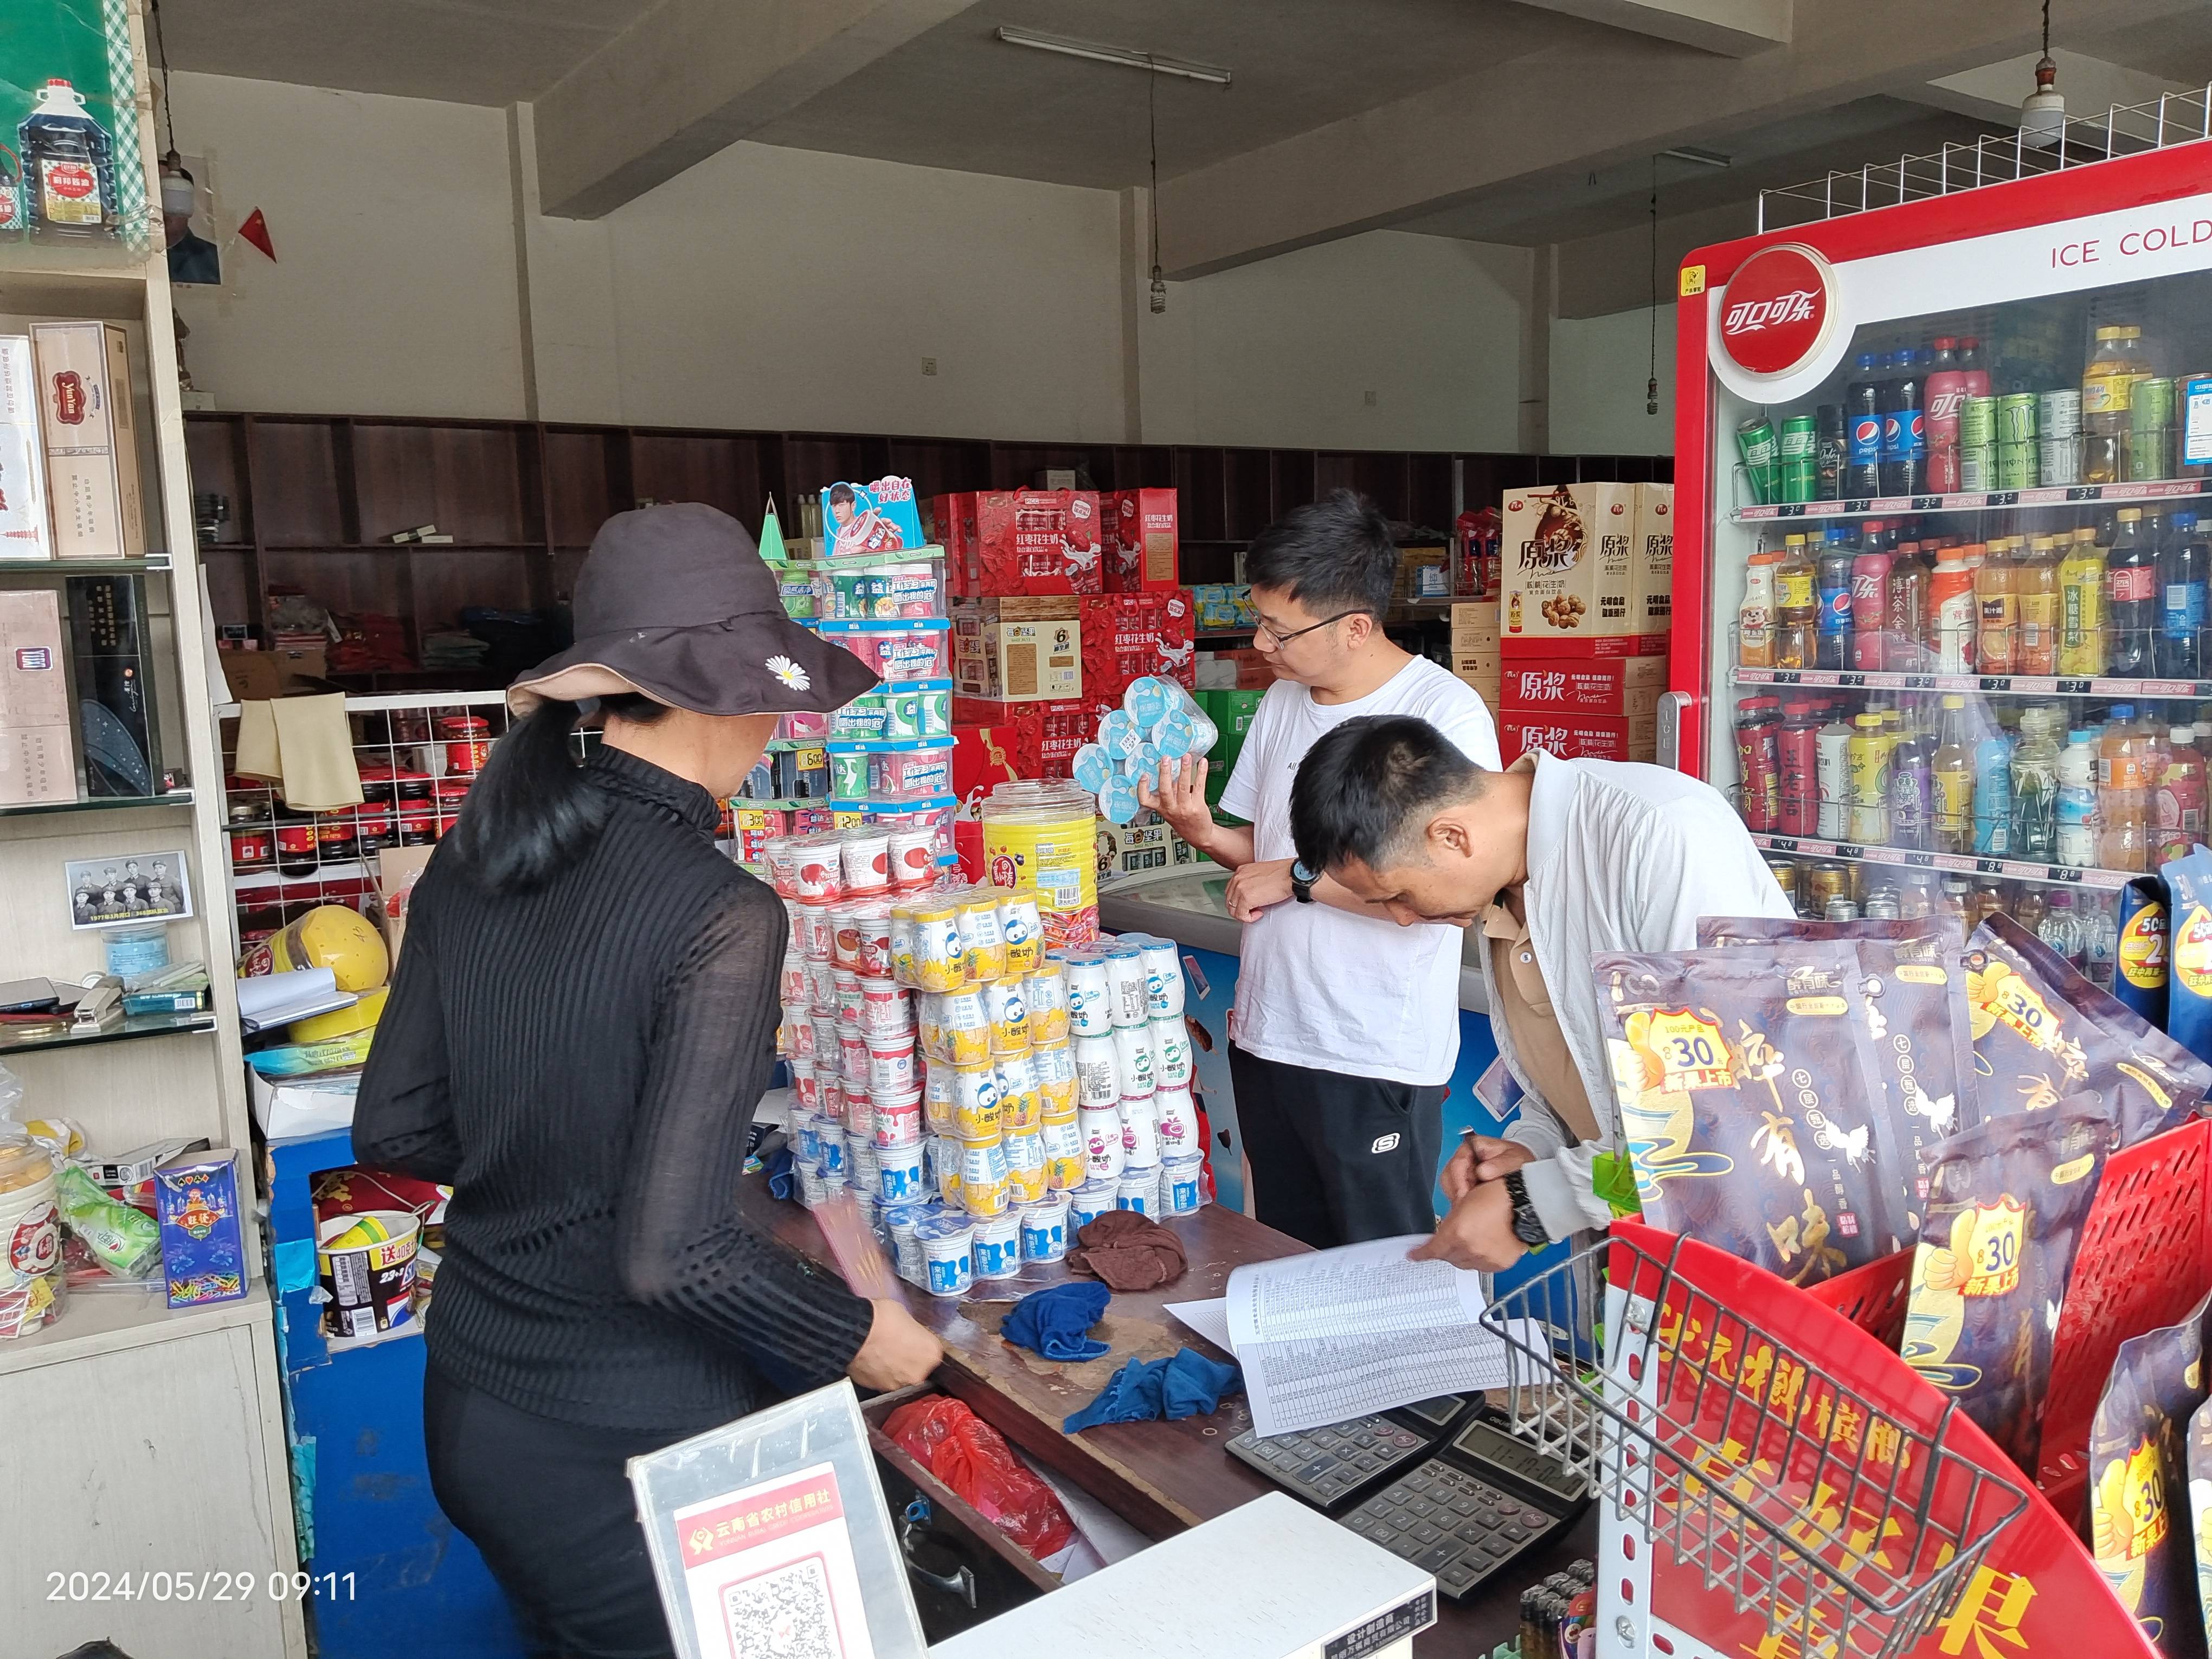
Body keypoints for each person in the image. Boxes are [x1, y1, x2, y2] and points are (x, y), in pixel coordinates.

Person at [353, 504, 944, 1659]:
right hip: (623, 1439)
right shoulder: (723, 911)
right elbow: (673, 1257)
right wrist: (860, 1336)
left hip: (472, 1402)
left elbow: (398, 1124)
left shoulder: (474, 857)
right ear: (730, 693)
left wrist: (569, 1173)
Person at [1286, 714, 1793, 1271]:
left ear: (1453, 837)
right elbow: (1584, 1070)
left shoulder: (1659, 832)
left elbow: (1727, 1106)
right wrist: (1532, 1147)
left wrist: (1535, 1205)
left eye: (1399, 895)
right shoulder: (1499, 885)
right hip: (1649, 1240)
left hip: (1768, 1242)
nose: (1404, 920)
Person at [1140, 490, 1500, 1249]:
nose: (1262, 643)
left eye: (1279, 628)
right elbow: (1260, 855)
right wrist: (1202, 831)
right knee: (1291, 1261)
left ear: (1357, 626)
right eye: (1258, 618)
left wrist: (1298, 880)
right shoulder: (1281, 702)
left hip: (1371, 1051)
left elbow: (1458, 899)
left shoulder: (1445, 716)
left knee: (1386, 1271)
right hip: (1273, 1035)